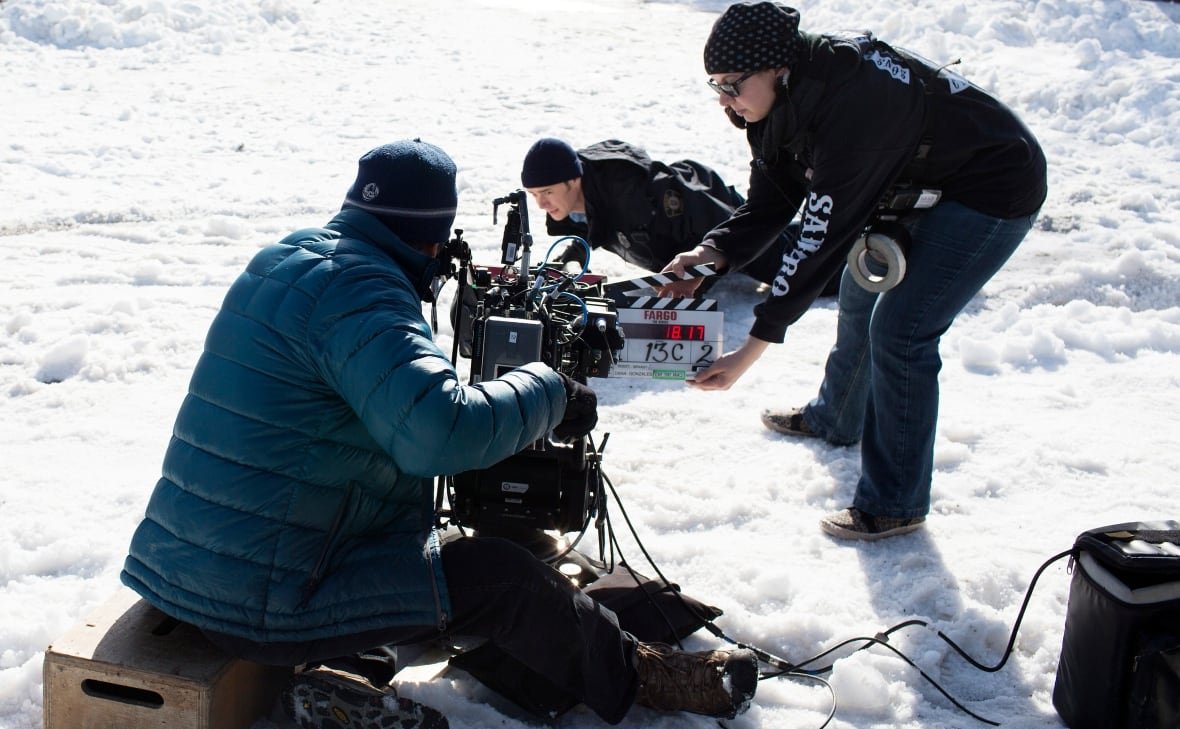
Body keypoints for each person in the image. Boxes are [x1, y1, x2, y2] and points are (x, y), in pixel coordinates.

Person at [120, 139, 758, 728]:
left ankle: (343, 681)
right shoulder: (363, 292)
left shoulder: (287, 258)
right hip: (267, 595)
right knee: (500, 576)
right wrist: (550, 392)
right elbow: (439, 432)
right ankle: (649, 677)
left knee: (412, 553)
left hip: (187, 569)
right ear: (432, 236)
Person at [663, 3, 1047, 540]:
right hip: (921, 179)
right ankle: (837, 416)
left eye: (733, 85)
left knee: (903, 331)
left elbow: (817, 241)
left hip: (993, 186)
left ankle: (895, 503)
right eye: (716, 85)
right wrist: (711, 254)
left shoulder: (853, 107)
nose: (724, 100)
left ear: (778, 68)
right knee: (859, 290)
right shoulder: (779, 102)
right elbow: (771, 203)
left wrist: (749, 351)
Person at [519, 136, 839, 296]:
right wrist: (568, 260)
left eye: (547, 192)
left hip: (707, 208)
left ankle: (854, 266)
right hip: (698, 209)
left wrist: (699, 277)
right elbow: (593, 230)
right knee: (793, 238)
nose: (542, 204)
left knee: (795, 273)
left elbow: (715, 225)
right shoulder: (580, 199)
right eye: (534, 195)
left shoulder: (634, 198)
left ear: (573, 180)